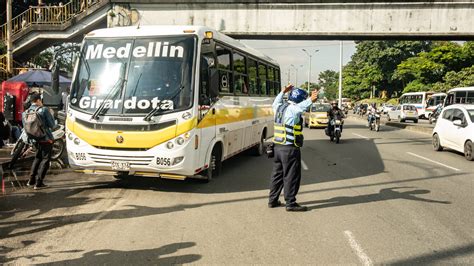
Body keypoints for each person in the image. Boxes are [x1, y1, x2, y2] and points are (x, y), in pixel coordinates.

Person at [269, 85, 319, 212]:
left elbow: (276, 101)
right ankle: (290, 203)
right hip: (289, 149)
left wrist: (282, 91)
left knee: (277, 175)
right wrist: (311, 99)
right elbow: (303, 106)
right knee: (291, 176)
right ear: (300, 99)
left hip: (277, 148)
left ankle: (272, 200)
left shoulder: (278, 107)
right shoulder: (293, 109)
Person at [23, 92, 56, 190]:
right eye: (40, 100)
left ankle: (31, 181)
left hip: (34, 139)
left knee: (37, 158)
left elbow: (25, 127)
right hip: (46, 139)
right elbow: (52, 125)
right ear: (38, 100)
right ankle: (39, 183)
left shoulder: (26, 112)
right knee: (45, 160)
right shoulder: (44, 110)